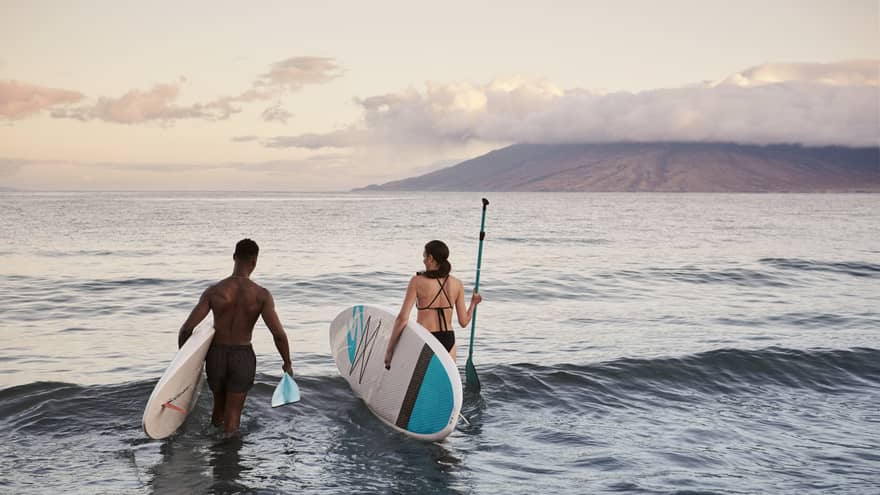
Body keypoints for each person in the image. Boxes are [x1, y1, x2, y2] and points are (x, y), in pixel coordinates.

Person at [177, 238, 292, 436]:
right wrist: (287, 363)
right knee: (233, 416)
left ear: (234, 257)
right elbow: (278, 335)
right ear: (254, 261)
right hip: (242, 356)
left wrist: (185, 363)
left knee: (218, 410)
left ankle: (214, 455)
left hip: (216, 356)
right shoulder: (261, 295)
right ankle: (229, 461)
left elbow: (187, 329)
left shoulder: (214, 291)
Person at [384, 240, 482, 369]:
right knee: (443, 386)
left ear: (430, 258)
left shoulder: (417, 281)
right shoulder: (457, 284)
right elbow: (464, 322)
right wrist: (473, 304)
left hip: (426, 339)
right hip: (449, 340)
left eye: (424, 257)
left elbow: (402, 318)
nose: (423, 261)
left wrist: (390, 350)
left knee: (422, 383)